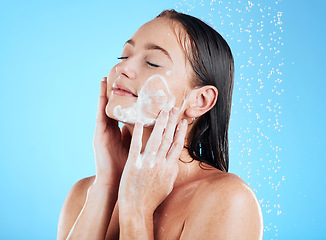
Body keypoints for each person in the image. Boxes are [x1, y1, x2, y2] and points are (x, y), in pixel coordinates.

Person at [57, 9, 263, 240]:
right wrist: (107, 184)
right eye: (124, 57)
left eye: (152, 63)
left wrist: (137, 210)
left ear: (200, 100)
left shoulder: (228, 200)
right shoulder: (83, 193)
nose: (123, 68)